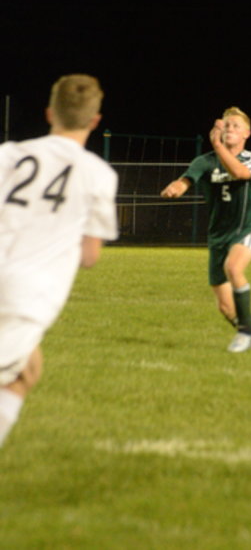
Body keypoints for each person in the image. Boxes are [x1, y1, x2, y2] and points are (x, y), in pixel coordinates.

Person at [0, 74, 118, 448]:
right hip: (24, 297)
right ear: (94, 121)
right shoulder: (98, 174)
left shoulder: (8, 154)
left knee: (27, 370)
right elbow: (90, 256)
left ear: (50, 112)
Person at [161, 107, 251, 353]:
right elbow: (187, 180)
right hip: (217, 236)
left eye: (235, 125)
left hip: (246, 228)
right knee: (225, 307)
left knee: (233, 268)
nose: (230, 128)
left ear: (247, 133)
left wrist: (218, 145)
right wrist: (177, 187)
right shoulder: (204, 161)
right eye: (226, 124)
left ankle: (244, 332)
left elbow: (240, 173)